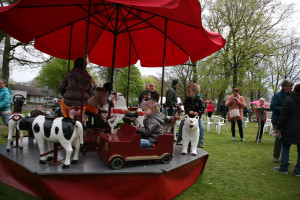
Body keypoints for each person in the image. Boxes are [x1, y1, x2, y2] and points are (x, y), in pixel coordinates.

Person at [273, 84, 300, 176]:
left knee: (285, 146)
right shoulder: (285, 98)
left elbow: (284, 116)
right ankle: (298, 170)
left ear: (295, 91)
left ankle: (283, 167)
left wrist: (278, 128)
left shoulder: (289, 99)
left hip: (289, 126)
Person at [270, 80, 294, 163]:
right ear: (284, 87)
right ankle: (276, 156)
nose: (291, 88)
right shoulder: (277, 95)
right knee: (279, 138)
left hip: (288, 121)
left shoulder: (292, 96)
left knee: (287, 139)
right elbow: (272, 106)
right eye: (289, 86)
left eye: (291, 86)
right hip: (278, 120)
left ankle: (285, 157)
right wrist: (284, 110)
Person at [176, 83, 205, 148]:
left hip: (196, 118)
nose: (187, 93)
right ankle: (179, 139)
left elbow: (202, 108)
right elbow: (186, 106)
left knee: (201, 126)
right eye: (187, 92)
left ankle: (201, 142)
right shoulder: (187, 99)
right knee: (182, 124)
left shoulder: (200, 100)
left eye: (189, 92)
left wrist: (197, 112)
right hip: (189, 117)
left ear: (195, 92)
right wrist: (188, 111)